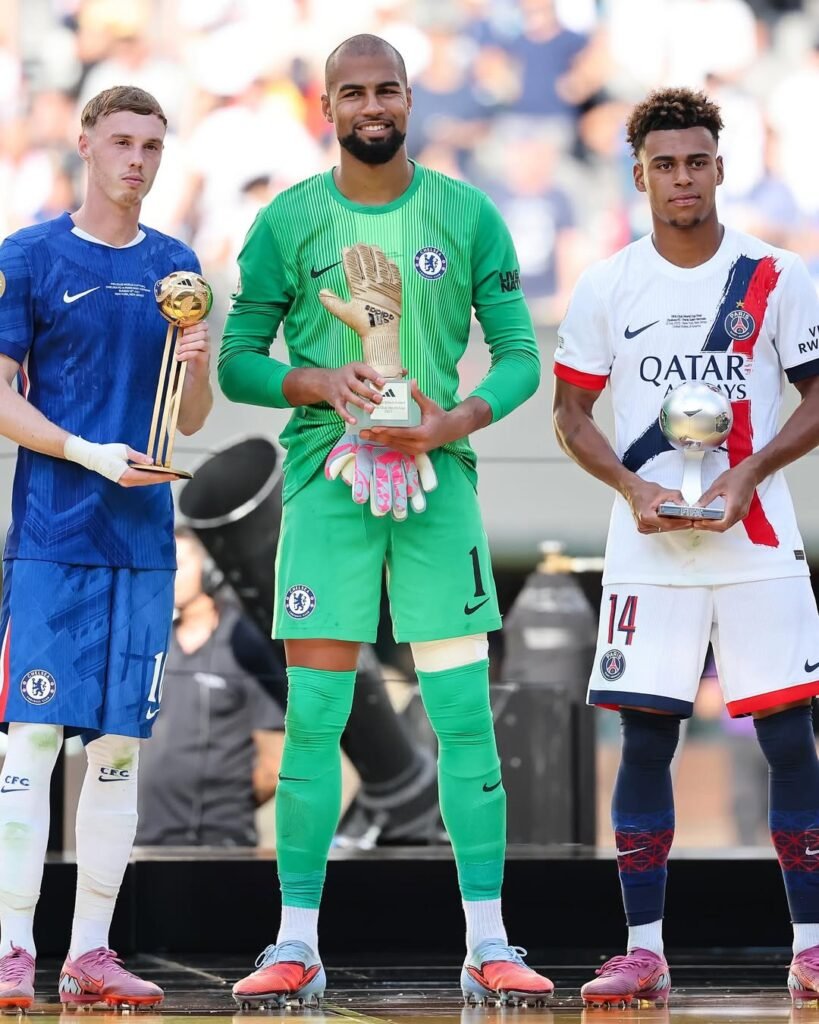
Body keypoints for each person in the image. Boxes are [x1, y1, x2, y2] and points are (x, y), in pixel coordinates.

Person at [219, 32, 551, 1010]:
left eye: (389, 89)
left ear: (412, 99)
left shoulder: (467, 213)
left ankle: (488, 940)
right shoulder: (287, 221)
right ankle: (296, 942)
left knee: (461, 720)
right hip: (328, 489)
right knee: (315, 718)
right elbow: (240, 356)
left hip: (436, 487)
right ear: (327, 106)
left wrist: (455, 417)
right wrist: (319, 380)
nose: (373, 105)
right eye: (353, 92)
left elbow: (522, 354)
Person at [553, 87, 819, 1007]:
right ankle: (643, 949)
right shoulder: (608, 284)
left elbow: (816, 399)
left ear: (719, 166)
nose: (681, 178)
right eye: (663, 164)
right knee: (644, 740)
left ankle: (811, 946)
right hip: (648, 548)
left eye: (695, 161)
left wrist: (745, 477)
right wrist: (635, 489)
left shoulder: (776, 275)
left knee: (789, 739)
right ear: (638, 175)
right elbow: (569, 414)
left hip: (753, 537)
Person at [0, 86, 212, 1011]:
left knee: (119, 752)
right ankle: (12, 950)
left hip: (142, 544)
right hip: (51, 540)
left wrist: (197, 365)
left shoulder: (177, 266)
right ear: (85, 143)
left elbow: (189, 421)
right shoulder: (29, 257)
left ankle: (90, 953)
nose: (137, 160)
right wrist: (85, 450)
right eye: (122, 142)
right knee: (35, 737)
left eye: (153, 146)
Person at [136, 528, 285, 847]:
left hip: (222, 844)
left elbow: (273, 763)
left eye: (180, 564)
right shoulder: (155, 643)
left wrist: (226, 802)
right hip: (147, 841)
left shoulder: (244, 645)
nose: (169, 574)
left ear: (209, 570)